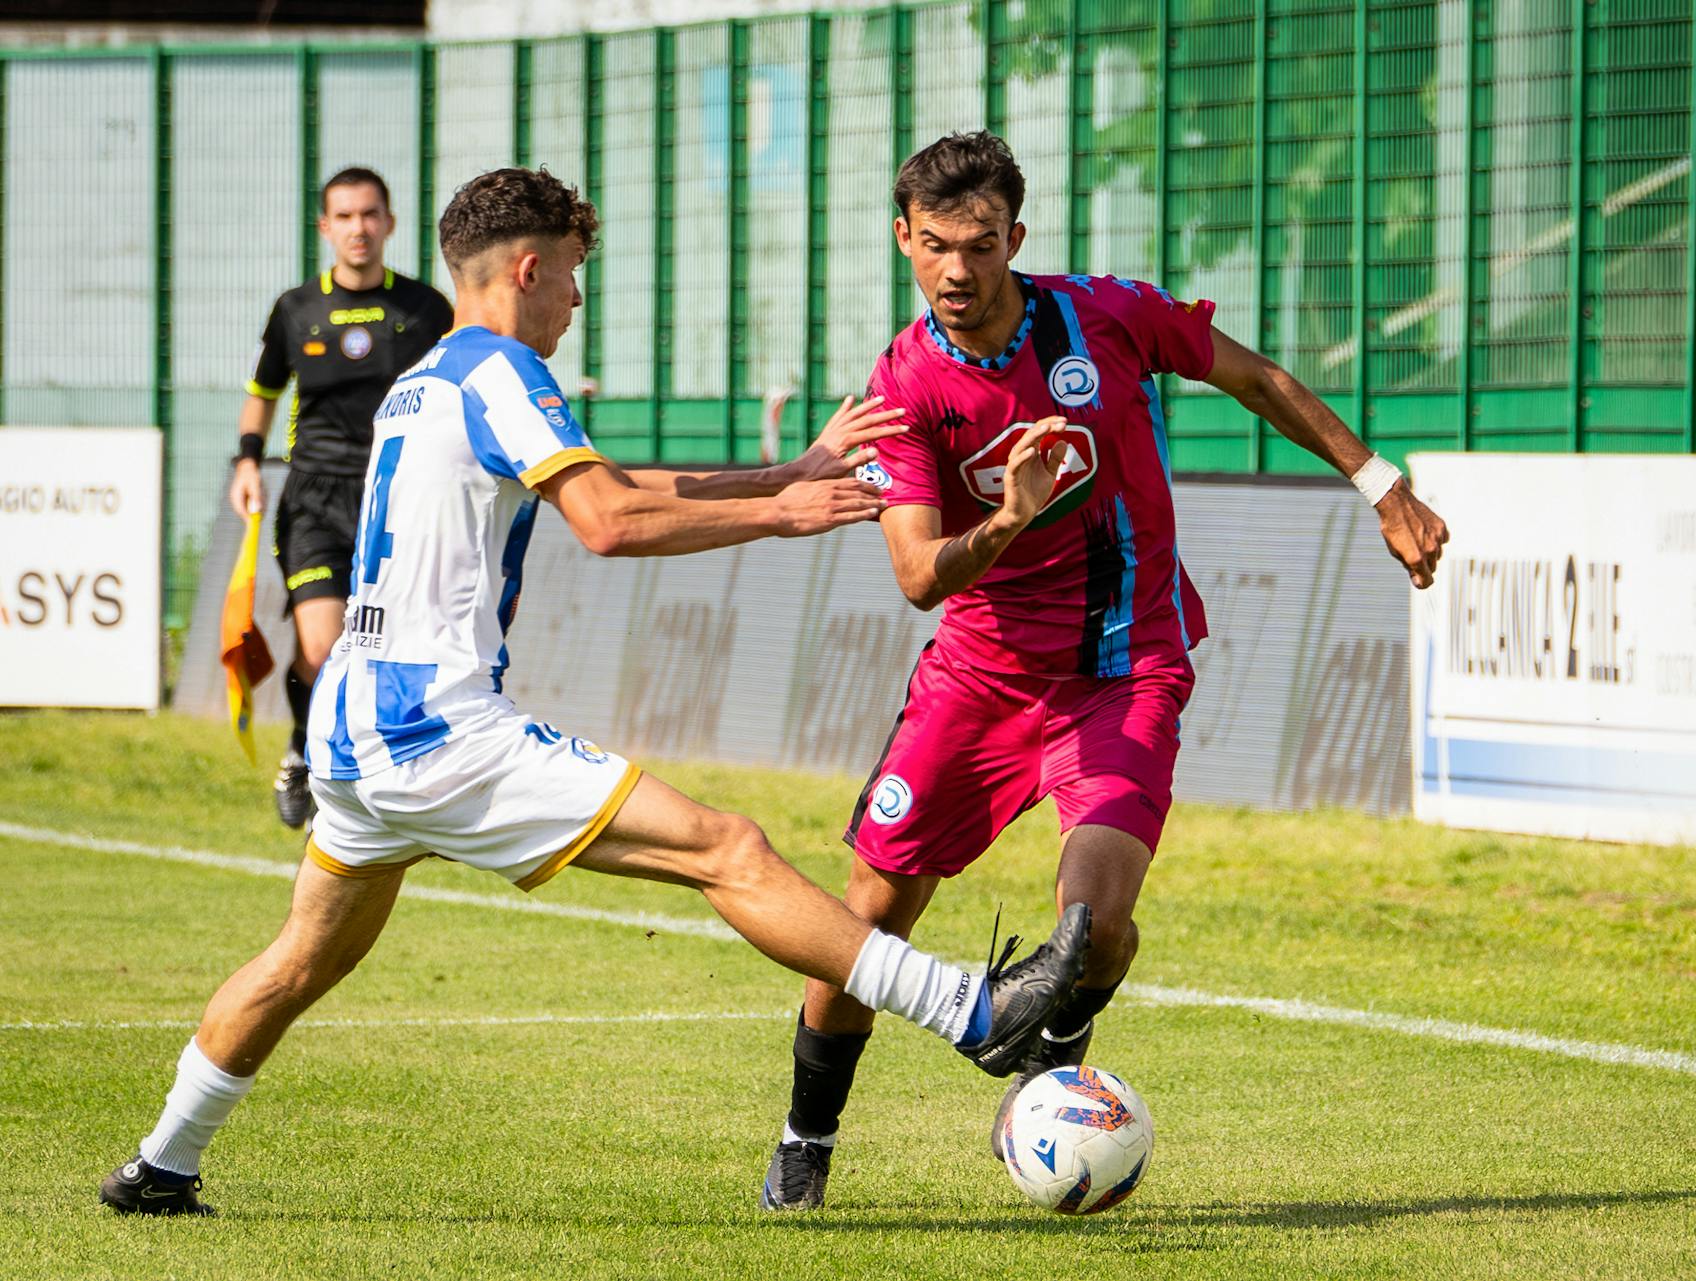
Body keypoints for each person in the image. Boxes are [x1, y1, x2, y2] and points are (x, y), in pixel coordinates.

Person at [101, 166, 1091, 1218]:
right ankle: (977, 1012)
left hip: (355, 728)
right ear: (528, 270)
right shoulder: (503, 369)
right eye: (572, 275)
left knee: (298, 960)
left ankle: (160, 1164)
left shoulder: (430, 375)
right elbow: (608, 521)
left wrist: (779, 474)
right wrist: (783, 516)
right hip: (436, 731)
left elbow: (604, 479)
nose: (576, 298)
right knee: (728, 846)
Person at [758, 132, 1449, 1210]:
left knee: (1095, 927)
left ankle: (1049, 1058)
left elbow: (1253, 375)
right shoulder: (903, 386)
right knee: (871, 915)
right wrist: (1007, 523)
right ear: (903, 240)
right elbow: (915, 575)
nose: (956, 271)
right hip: (978, 681)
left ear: (1014, 240)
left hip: (1126, 671)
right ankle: (808, 1136)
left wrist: (1379, 482)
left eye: (980, 246)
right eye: (935, 245)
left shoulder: (1108, 316)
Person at [230, 167, 455, 829]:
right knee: (323, 645)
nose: (359, 228)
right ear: (325, 227)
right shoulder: (296, 309)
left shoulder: (426, 310)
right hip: (314, 496)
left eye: (370, 215)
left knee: (393, 644)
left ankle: (390, 775)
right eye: (345, 216)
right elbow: (262, 393)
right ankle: (304, 749)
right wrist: (248, 462)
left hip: (399, 497)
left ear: (388, 222)